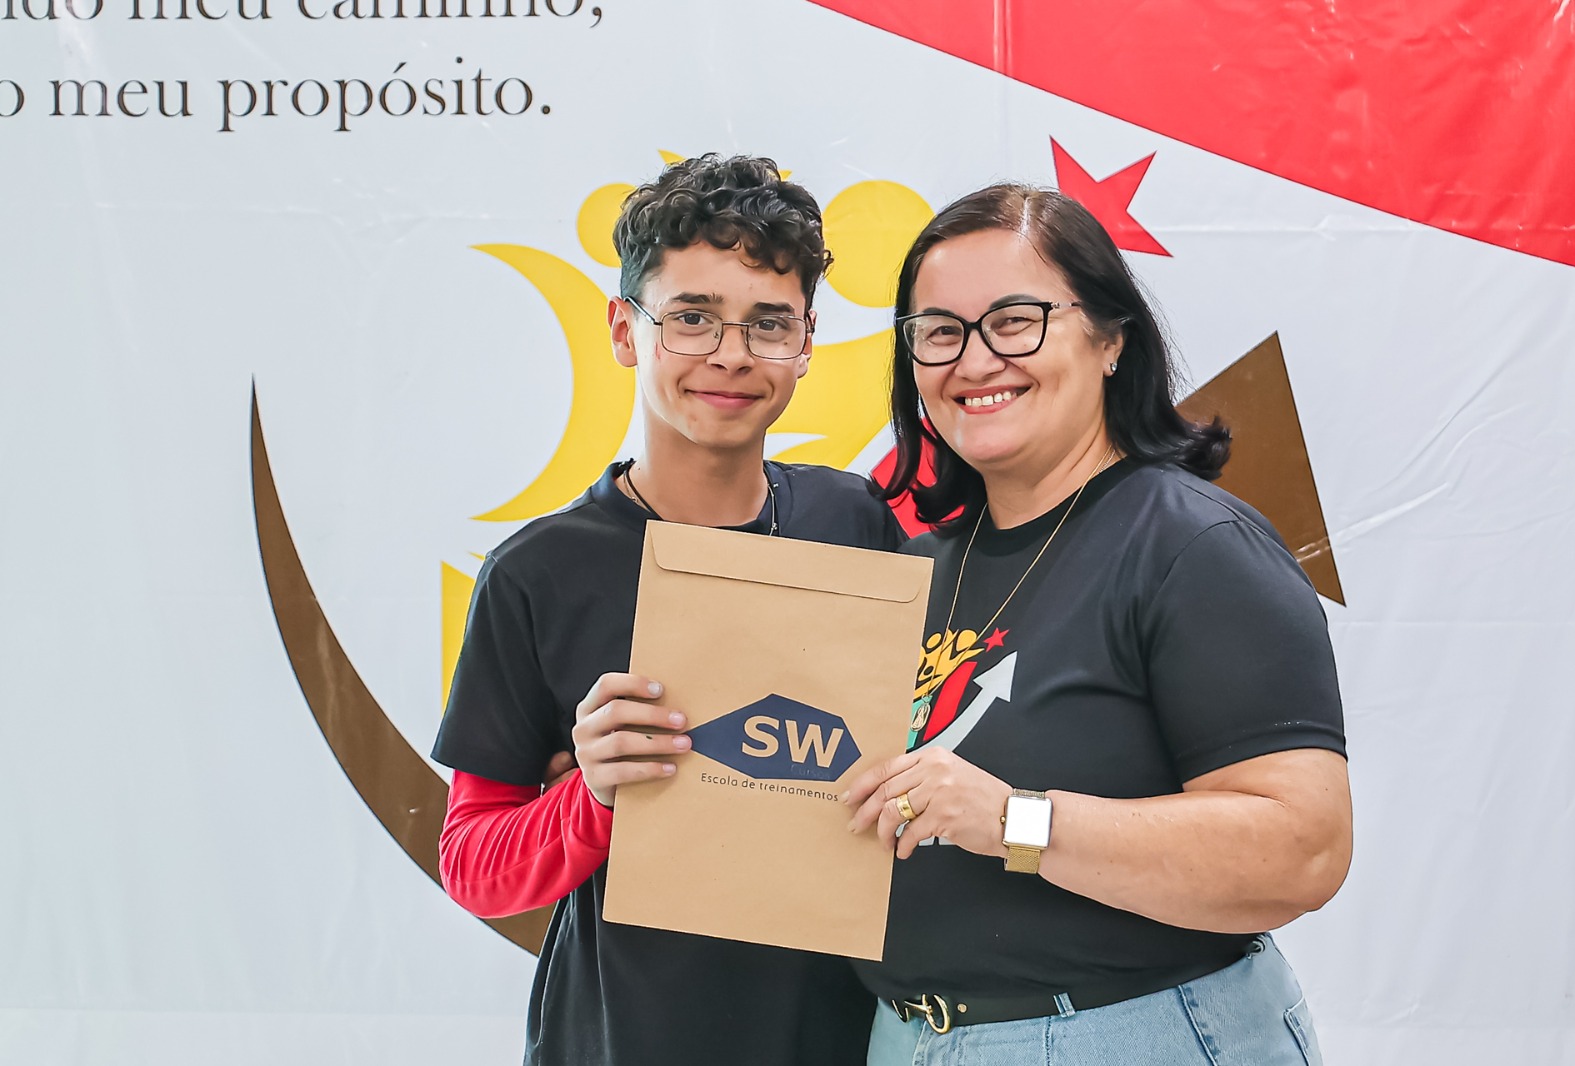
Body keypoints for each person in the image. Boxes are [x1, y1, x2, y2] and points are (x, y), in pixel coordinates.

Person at [843, 184, 1352, 1065]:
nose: (975, 360)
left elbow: (1302, 850)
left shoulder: (1192, 546)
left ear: (1112, 339)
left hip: (1127, 1035)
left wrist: (1014, 820)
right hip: (911, 1038)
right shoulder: (918, 571)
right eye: (940, 332)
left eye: (1014, 321)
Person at [431, 154, 904, 1066]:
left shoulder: (853, 520)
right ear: (624, 329)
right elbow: (474, 866)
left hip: (842, 1033)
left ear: (807, 342)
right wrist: (594, 793)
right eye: (692, 318)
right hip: (622, 1036)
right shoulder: (539, 573)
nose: (732, 354)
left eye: (769, 323)